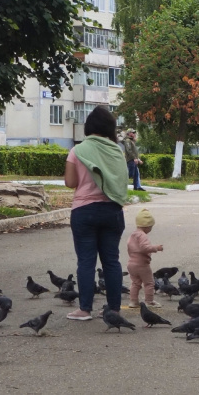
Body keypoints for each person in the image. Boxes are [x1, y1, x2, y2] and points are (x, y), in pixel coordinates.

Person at [64, 105, 129, 321]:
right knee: (111, 260)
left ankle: (84, 309)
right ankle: (114, 308)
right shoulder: (116, 151)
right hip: (112, 211)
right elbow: (121, 181)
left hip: (84, 212)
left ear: (88, 127)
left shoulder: (77, 151)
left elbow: (70, 182)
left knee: (86, 262)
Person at [126, 208, 164, 309]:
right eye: (151, 227)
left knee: (135, 283)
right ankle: (149, 301)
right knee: (149, 283)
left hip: (131, 263)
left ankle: (133, 301)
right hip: (142, 264)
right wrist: (156, 248)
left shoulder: (133, 235)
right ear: (147, 226)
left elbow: (129, 247)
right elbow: (144, 247)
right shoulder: (142, 236)